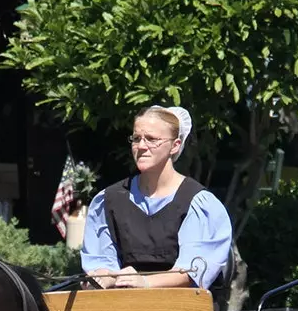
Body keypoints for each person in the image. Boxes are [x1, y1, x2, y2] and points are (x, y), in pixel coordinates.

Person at [81, 105, 233, 289]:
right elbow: (102, 263)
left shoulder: (198, 202)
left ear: (175, 145)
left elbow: (193, 271)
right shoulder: (109, 200)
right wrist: (104, 277)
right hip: (123, 308)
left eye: (152, 139)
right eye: (136, 139)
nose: (142, 146)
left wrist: (145, 282)